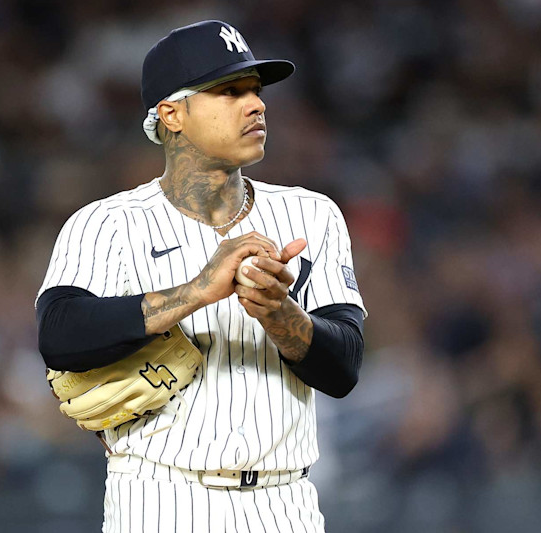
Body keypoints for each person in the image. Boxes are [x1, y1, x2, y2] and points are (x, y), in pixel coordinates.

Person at [35, 20, 367, 533]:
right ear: (172, 113)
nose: (255, 105)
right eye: (229, 91)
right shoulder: (109, 222)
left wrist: (281, 316)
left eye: (256, 91)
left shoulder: (312, 214)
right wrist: (194, 293)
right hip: (160, 494)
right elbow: (59, 334)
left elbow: (343, 368)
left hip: (286, 500)